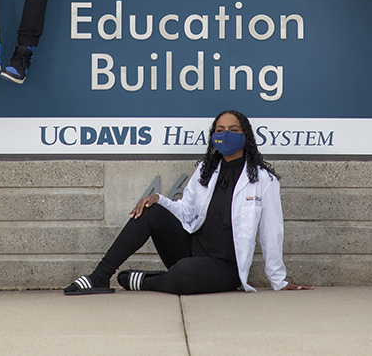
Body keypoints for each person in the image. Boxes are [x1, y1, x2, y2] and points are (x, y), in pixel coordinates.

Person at [64, 110, 312, 295]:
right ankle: (100, 276)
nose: (225, 134)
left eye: (233, 130)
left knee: (183, 276)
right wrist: (159, 200)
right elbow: (186, 211)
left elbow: (272, 230)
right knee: (151, 212)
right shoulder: (206, 170)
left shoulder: (263, 180)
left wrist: (279, 281)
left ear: (245, 136)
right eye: (220, 129)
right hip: (190, 250)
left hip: (224, 266)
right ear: (213, 136)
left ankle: (146, 281)